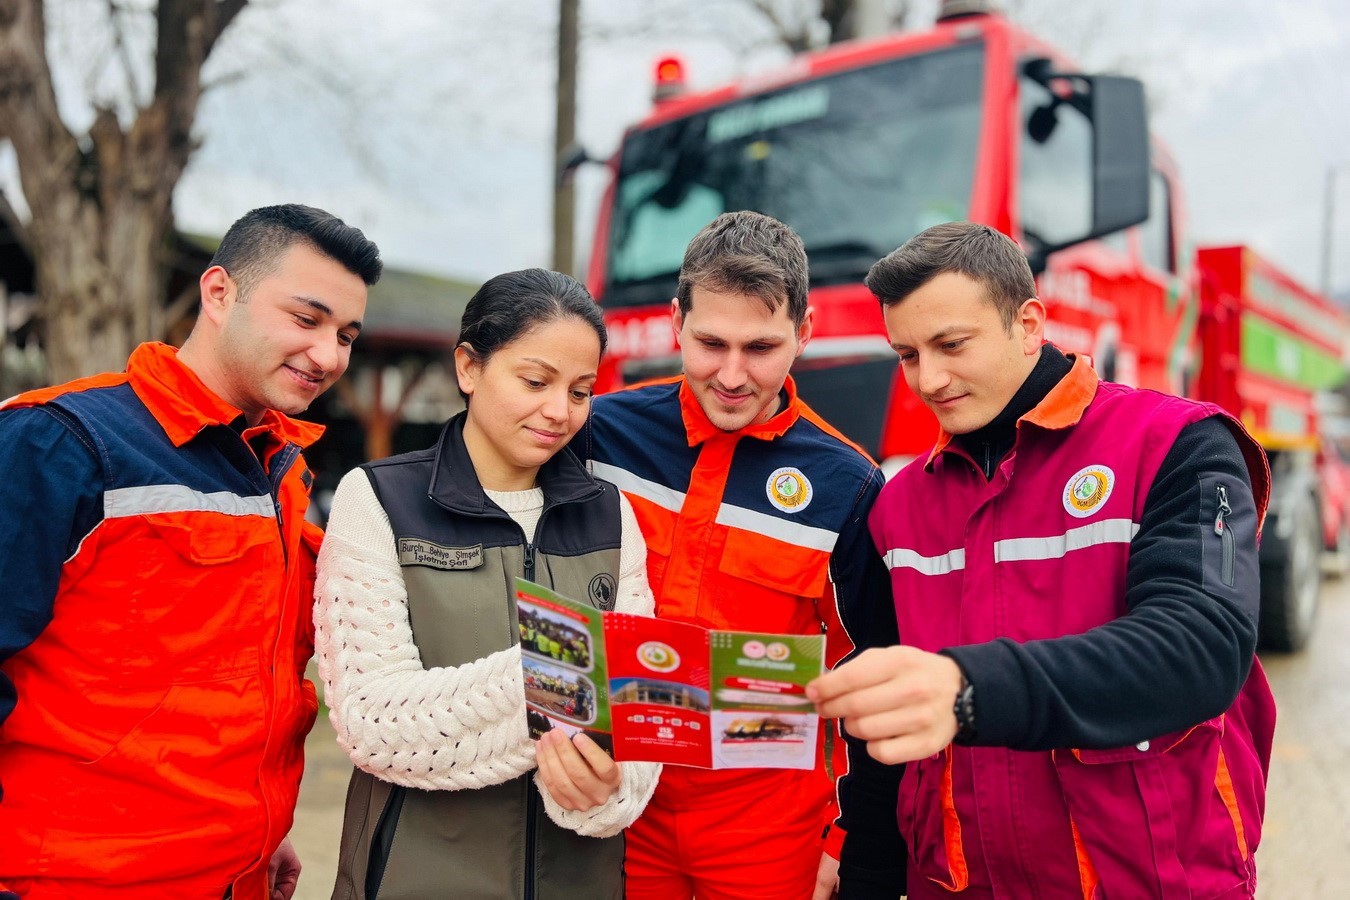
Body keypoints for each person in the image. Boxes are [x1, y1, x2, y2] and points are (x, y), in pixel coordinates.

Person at [809, 221, 1276, 898]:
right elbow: (886, 730)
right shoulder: (899, 506)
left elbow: (1204, 647)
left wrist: (968, 689)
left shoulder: (1180, 445)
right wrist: (868, 872)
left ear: (1028, 324)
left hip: (1148, 880)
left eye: (951, 344)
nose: (929, 379)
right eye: (907, 355)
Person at [0, 204, 381, 899]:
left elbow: (237, 679)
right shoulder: (60, 443)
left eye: (346, 334)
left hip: (236, 875)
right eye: (306, 319)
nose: (329, 355)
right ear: (218, 293)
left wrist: (260, 829)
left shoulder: (281, 468)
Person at [580, 211, 902, 899]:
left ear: (804, 333)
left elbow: (866, 673)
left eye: (760, 347)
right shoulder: (600, 433)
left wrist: (846, 840)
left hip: (768, 822)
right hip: (617, 798)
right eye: (710, 342)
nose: (731, 374)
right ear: (676, 321)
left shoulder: (847, 484)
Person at [314, 268, 661, 900]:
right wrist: (568, 677)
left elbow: (640, 726)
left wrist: (602, 792)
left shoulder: (613, 516)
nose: (560, 411)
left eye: (581, 392)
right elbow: (373, 720)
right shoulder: (379, 499)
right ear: (468, 368)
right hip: (414, 877)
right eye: (535, 381)